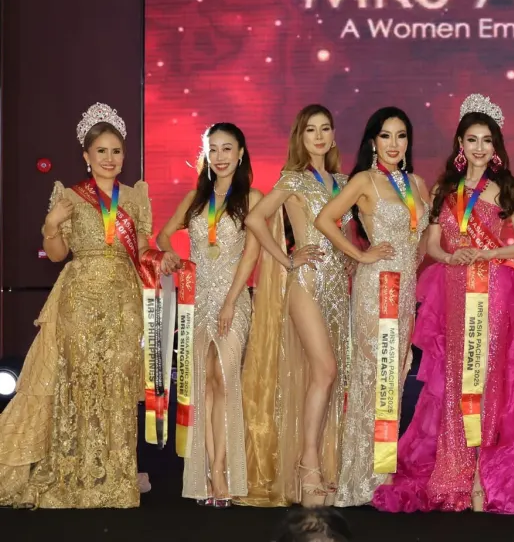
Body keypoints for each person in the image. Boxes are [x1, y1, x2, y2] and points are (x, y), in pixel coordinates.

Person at [372, 94, 514, 514]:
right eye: (472, 140)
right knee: (454, 378)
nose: (479, 147)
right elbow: (432, 244)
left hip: (493, 289)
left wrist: (488, 253)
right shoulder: (445, 190)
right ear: (460, 145)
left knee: (485, 377)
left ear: (495, 146)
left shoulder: (506, 189)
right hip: (453, 286)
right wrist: (451, 258)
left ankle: (484, 475)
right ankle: (453, 474)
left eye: (486, 140)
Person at [0, 103, 178, 507]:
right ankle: (79, 470)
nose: (109, 158)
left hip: (123, 298)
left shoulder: (134, 197)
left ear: (124, 155)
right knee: (81, 382)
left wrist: (162, 258)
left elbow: (142, 252)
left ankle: (116, 475)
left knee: (118, 379)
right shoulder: (69, 197)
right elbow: (57, 254)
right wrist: (51, 225)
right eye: (101, 151)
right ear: (86, 155)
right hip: (79, 296)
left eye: (116, 151)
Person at [314, 107, 430, 507]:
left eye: (401, 135)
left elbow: (422, 237)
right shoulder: (364, 180)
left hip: (404, 293)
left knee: (394, 377)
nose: (394, 144)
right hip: (376, 290)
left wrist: (417, 262)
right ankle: (361, 479)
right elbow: (325, 219)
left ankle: (382, 471)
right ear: (373, 142)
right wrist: (361, 256)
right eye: (386, 136)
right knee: (372, 377)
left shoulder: (417, 183)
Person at [240, 104, 353, 507]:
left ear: (334, 136)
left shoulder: (343, 181)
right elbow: (255, 219)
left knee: (325, 377)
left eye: (325, 129)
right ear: (300, 138)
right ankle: (308, 466)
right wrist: (288, 259)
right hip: (305, 284)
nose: (319, 137)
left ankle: (324, 464)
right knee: (326, 369)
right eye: (311, 130)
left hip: (338, 290)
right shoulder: (293, 179)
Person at [156, 123, 261, 506]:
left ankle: (222, 469)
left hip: (234, 299)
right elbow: (163, 236)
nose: (219, 157)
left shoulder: (252, 198)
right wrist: (172, 256)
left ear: (241, 153)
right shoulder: (195, 198)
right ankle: (211, 475)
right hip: (198, 299)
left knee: (225, 378)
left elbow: (251, 255)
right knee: (206, 383)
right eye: (212, 149)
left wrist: (232, 300)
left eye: (227, 148)